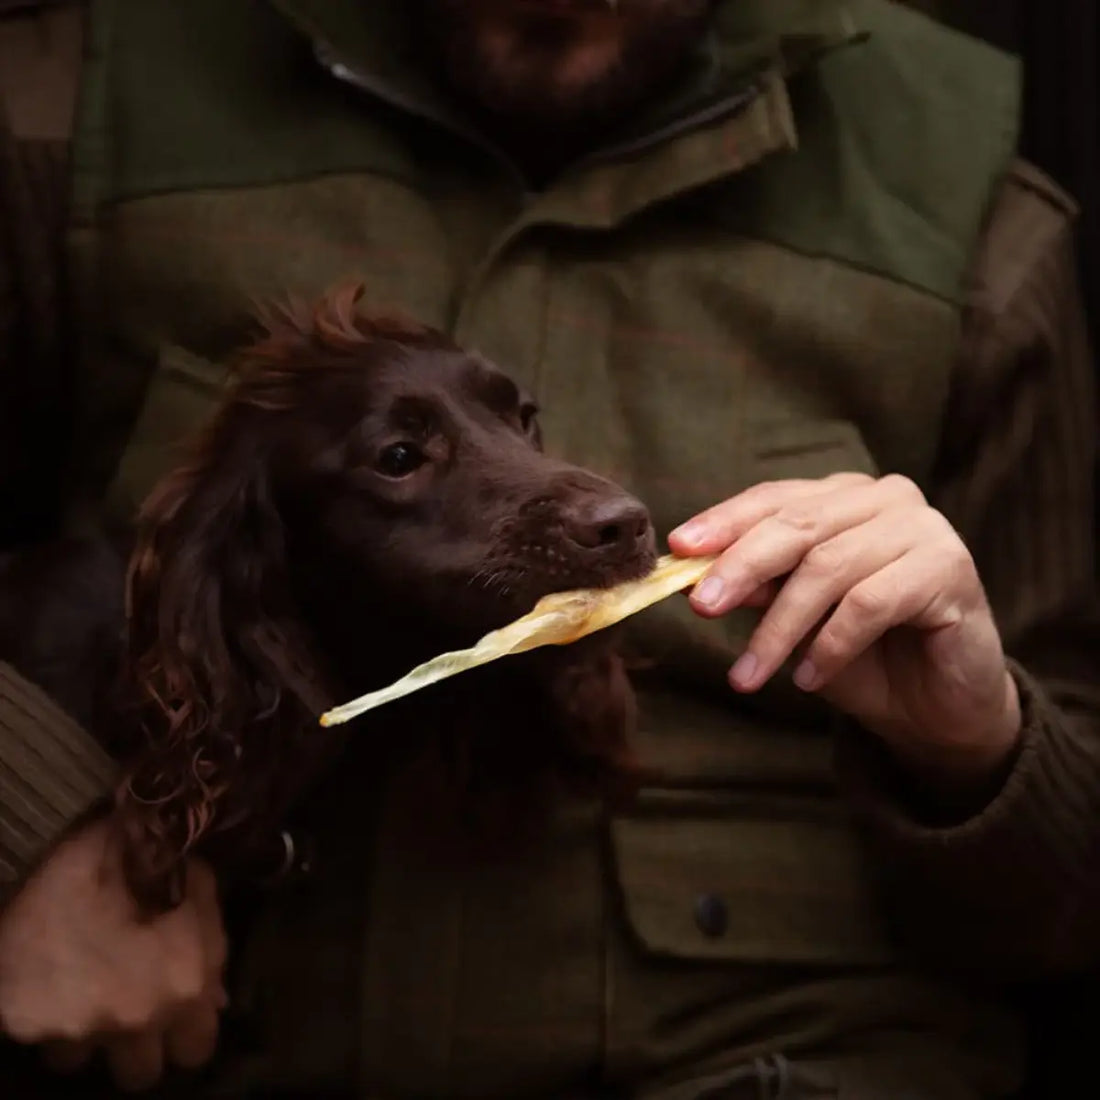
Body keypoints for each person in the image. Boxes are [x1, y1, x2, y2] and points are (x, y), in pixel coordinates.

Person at [1, 1, 1099, 1097]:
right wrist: (34, 825)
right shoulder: (72, 92)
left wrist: (977, 747)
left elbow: (1074, 897)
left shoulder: (960, 185)